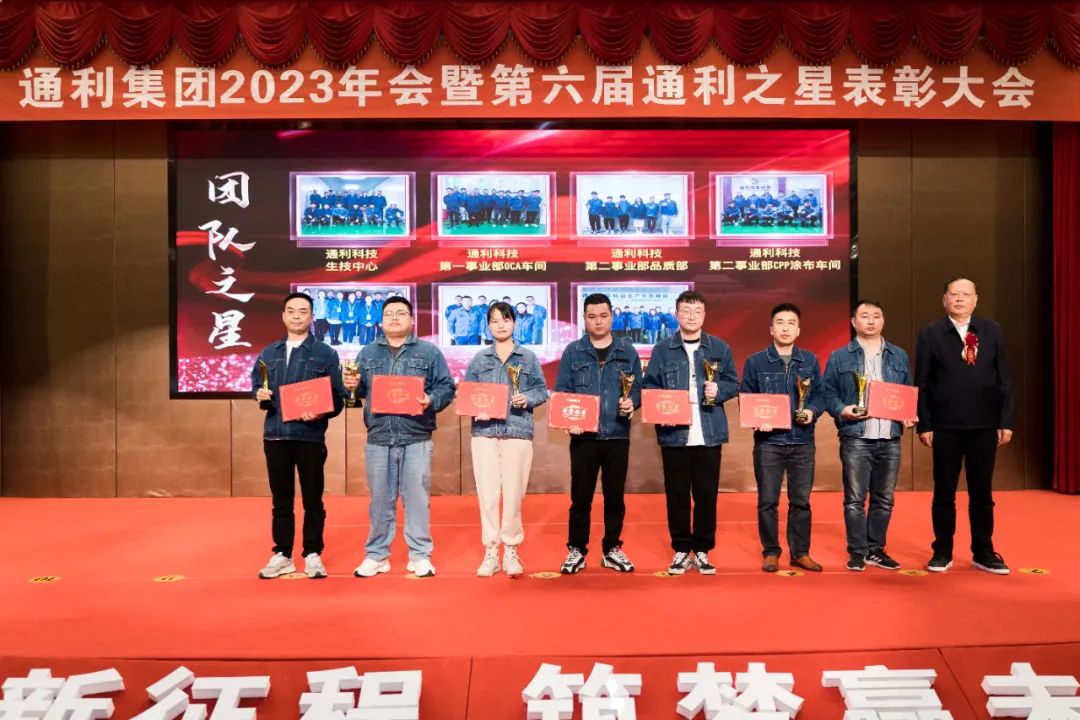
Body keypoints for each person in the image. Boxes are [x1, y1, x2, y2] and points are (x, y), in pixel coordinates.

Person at [342, 297, 456, 578]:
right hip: (379, 435)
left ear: (412, 320)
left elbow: (447, 387)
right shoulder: (368, 352)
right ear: (381, 321)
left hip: (416, 434)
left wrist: (430, 399)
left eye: (401, 313)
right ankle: (377, 555)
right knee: (380, 499)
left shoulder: (429, 352)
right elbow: (356, 394)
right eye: (389, 314)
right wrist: (350, 386)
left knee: (416, 498)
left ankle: (420, 555)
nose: (394, 317)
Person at [916, 278, 1013, 574]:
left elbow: (1004, 378)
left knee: (982, 492)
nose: (959, 299)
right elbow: (922, 381)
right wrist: (925, 424)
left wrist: (1005, 420)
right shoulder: (931, 332)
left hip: (984, 423)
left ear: (976, 299)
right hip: (945, 425)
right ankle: (942, 550)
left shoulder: (991, 330)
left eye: (965, 294)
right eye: (954, 294)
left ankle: (983, 551)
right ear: (944, 299)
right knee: (944, 492)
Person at [252, 293, 347, 580]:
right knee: (281, 500)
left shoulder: (325, 354)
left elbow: (338, 398)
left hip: (310, 437)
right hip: (275, 436)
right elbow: (257, 386)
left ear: (312, 317)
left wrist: (320, 411)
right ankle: (283, 554)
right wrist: (259, 394)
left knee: (312, 499)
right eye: (291, 311)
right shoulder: (268, 353)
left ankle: (312, 553)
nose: (296, 316)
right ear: (283, 316)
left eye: (303, 311)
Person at [642, 291, 738, 575]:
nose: (691, 316)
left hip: (709, 432)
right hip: (674, 435)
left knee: (707, 495)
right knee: (677, 495)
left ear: (704, 315)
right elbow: (650, 386)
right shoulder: (662, 349)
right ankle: (682, 549)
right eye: (686, 311)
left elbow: (734, 382)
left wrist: (719, 390)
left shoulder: (719, 347)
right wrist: (662, 412)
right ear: (676, 315)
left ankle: (703, 550)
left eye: (697, 311)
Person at [824, 299, 917, 572]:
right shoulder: (839, 356)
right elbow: (827, 392)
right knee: (855, 498)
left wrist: (909, 413)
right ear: (854, 322)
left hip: (890, 437)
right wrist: (843, 410)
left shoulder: (898, 355)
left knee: (884, 498)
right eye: (865, 316)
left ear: (883, 321)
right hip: (856, 436)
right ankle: (857, 549)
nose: (871, 320)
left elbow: (906, 391)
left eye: (876, 315)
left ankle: (876, 548)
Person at [555, 293, 642, 574]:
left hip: (617, 434)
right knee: (580, 498)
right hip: (584, 437)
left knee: (615, 497)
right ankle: (576, 549)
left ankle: (612, 548)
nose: (598, 321)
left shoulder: (627, 351)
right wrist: (569, 420)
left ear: (612, 317)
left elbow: (638, 389)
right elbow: (563, 391)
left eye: (603, 316)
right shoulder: (573, 351)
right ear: (584, 319)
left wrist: (632, 402)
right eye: (592, 316)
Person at [739, 303, 826, 573]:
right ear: (771, 329)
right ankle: (771, 552)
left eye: (791, 323)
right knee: (768, 501)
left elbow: (820, 395)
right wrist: (758, 419)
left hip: (802, 441)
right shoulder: (755, 361)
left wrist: (811, 411)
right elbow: (746, 398)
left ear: (798, 330)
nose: (785, 328)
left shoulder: (810, 360)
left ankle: (800, 552)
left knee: (801, 501)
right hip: (769, 443)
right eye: (780, 322)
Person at [464, 303, 549, 576]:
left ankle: (511, 548)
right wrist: (476, 405)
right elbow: (467, 392)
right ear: (488, 326)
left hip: (518, 430)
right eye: (494, 320)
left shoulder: (527, 357)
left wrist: (528, 398)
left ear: (514, 323)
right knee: (487, 494)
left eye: (505, 319)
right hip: (484, 432)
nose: (500, 325)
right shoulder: (480, 359)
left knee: (513, 495)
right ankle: (491, 550)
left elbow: (541, 390)